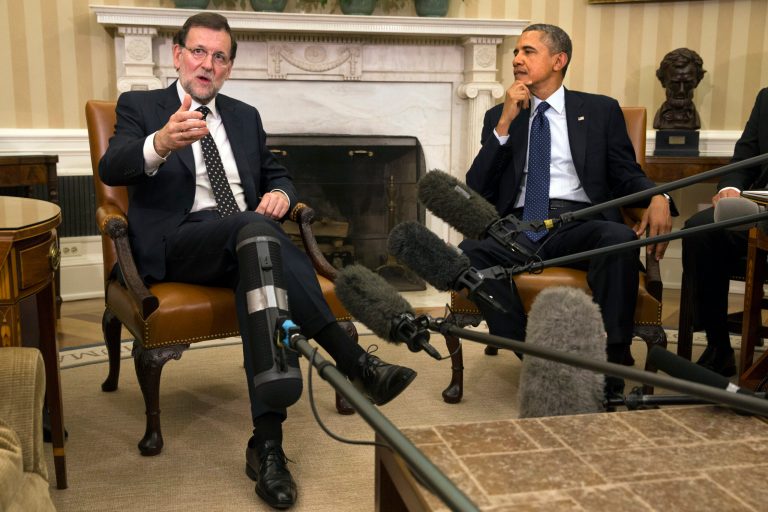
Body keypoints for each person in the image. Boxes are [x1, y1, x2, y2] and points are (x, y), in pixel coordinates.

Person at [99, 13, 416, 510]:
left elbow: (279, 175)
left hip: (245, 241)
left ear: (229, 68)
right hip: (177, 243)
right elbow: (112, 164)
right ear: (178, 54)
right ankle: (352, 359)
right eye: (199, 52)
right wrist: (160, 143)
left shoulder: (245, 116)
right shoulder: (141, 106)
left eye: (219, 56)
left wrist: (281, 197)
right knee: (257, 234)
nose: (208, 64)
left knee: (259, 263)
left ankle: (267, 446)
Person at [458, 23, 675, 398]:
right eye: (515, 52)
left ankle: (611, 363)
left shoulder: (600, 110)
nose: (517, 60)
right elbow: (477, 190)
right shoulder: (500, 116)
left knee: (618, 238)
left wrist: (660, 198)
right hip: (521, 227)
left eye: (528, 51)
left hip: (578, 222)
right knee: (466, 256)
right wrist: (506, 123)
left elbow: (626, 175)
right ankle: (532, 353)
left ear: (559, 60)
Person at [681, 87, 768, 377]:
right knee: (700, 230)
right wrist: (730, 190)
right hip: (760, 206)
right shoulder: (766, 97)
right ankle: (718, 346)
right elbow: (744, 158)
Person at [653, 48, 706, 130]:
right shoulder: (659, 120)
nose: (681, 91)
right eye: (675, 83)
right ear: (663, 81)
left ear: (697, 82)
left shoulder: (694, 120)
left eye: (687, 83)